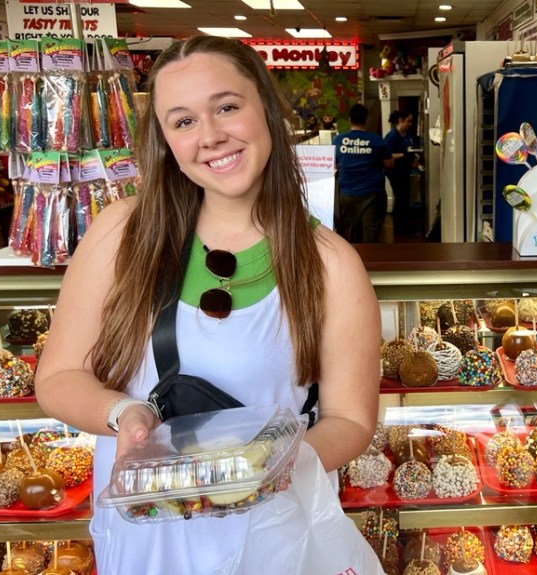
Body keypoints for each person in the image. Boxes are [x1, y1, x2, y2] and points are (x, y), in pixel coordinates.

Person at [34, 36, 381, 574]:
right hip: (148, 544)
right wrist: (124, 413)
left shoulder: (330, 263)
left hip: (274, 540)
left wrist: (270, 465)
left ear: (265, 107)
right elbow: (58, 377)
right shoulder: (123, 233)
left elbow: (350, 419)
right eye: (184, 121)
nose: (211, 136)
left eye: (226, 107)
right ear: (166, 141)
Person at [333, 103, 392, 243]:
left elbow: (333, 164)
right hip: (373, 194)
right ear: (365, 119)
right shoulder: (376, 140)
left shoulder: (338, 140)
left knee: (354, 232)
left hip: (348, 194)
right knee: (371, 233)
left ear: (349, 119)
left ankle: (356, 255)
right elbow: (389, 164)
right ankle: (369, 257)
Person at [383, 110, 415, 236]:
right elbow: (386, 155)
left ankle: (404, 224)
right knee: (401, 197)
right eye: (408, 121)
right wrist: (403, 155)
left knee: (405, 198)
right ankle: (399, 227)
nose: (410, 124)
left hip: (404, 170)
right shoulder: (391, 136)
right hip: (395, 172)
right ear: (401, 120)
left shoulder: (407, 134)